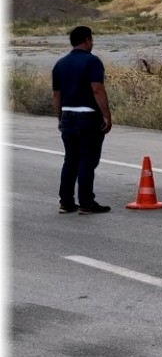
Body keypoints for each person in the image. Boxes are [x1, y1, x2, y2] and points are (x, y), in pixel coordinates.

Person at [51, 25, 112, 215]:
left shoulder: (60, 64)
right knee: (87, 160)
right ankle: (86, 202)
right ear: (87, 40)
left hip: (68, 115)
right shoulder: (92, 62)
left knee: (70, 160)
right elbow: (97, 89)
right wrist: (106, 115)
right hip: (87, 117)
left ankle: (66, 202)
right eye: (91, 40)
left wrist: (60, 118)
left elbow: (56, 95)